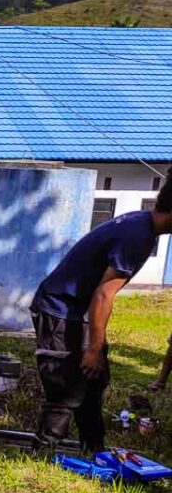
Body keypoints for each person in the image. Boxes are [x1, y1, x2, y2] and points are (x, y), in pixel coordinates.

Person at [29, 176, 172, 454]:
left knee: (93, 381)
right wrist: (93, 348)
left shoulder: (140, 224)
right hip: (60, 309)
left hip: (76, 310)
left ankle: (95, 452)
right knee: (67, 386)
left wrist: (96, 350)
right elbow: (103, 295)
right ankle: (40, 453)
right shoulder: (138, 237)